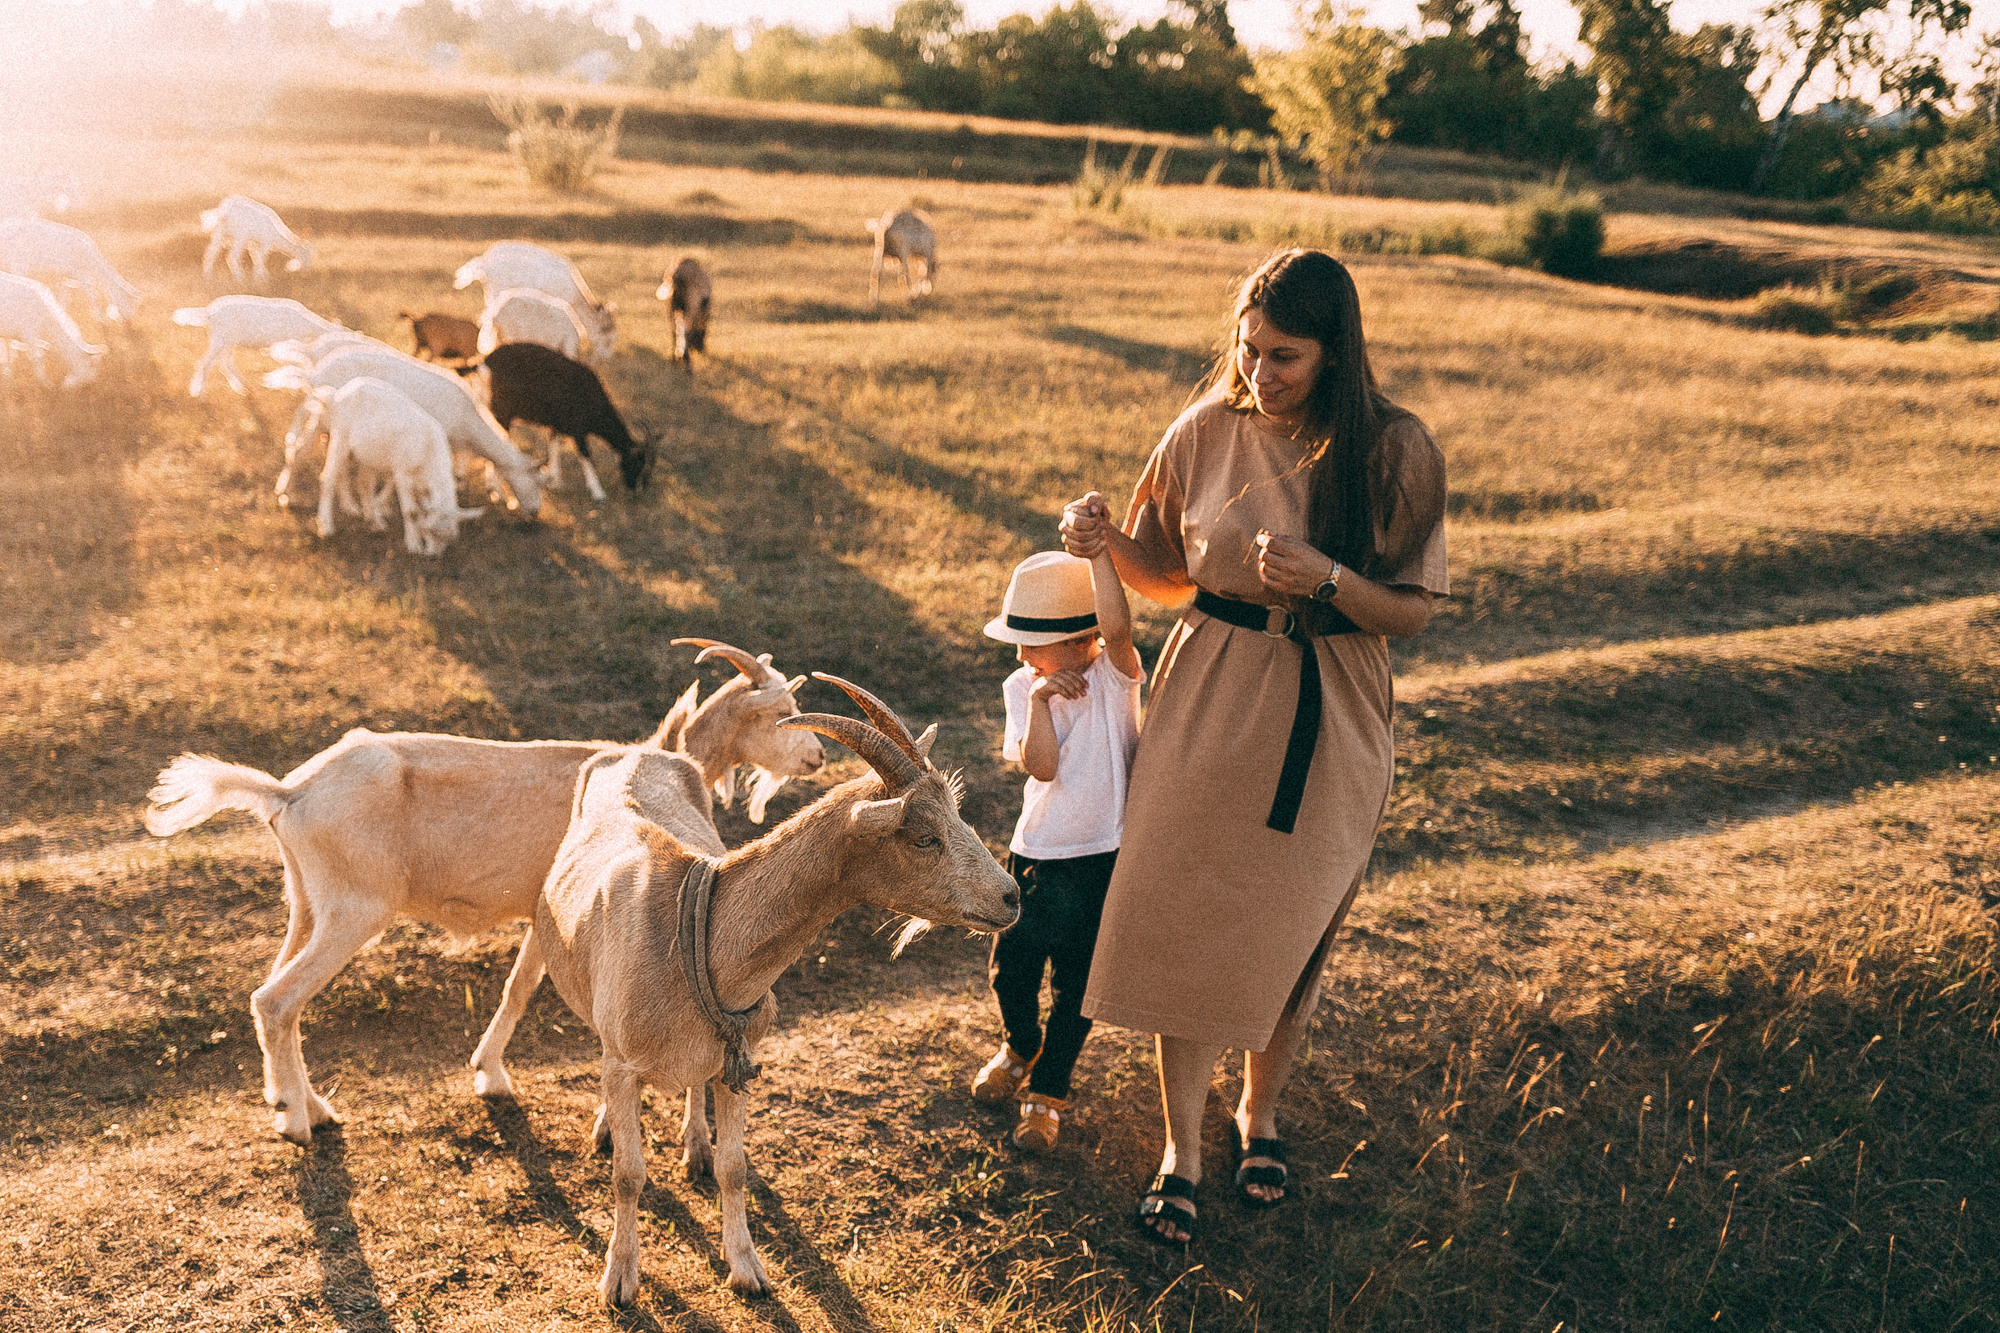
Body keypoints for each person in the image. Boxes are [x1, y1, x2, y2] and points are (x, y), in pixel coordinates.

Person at [1058, 249, 1447, 1243]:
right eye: (1247, 348)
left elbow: (1406, 613)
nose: (1259, 372)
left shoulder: (1392, 447)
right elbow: (1164, 571)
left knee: (1291, 921)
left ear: (1333, 352)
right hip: (1208, 691)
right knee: (1182, 912)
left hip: (1328, 704)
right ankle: (1178, 1150)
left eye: (1284, 356)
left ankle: (1256, 1113)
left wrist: (1325, 578)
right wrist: (1103, 540)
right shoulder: (1204, 427)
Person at [973, 548, 1144, 1152]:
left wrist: (1099, 553)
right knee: (1011, 973)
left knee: (1077, 990)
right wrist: (1043, 699)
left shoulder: (1115, 675)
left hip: (1103, 861)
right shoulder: (1023, 685)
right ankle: (1021, 1043)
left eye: (1032, 641)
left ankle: (1047, 1091)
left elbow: (1119, 626)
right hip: (1036, 853)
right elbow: (1040, 767)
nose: (1020, 653)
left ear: (1081, 641)